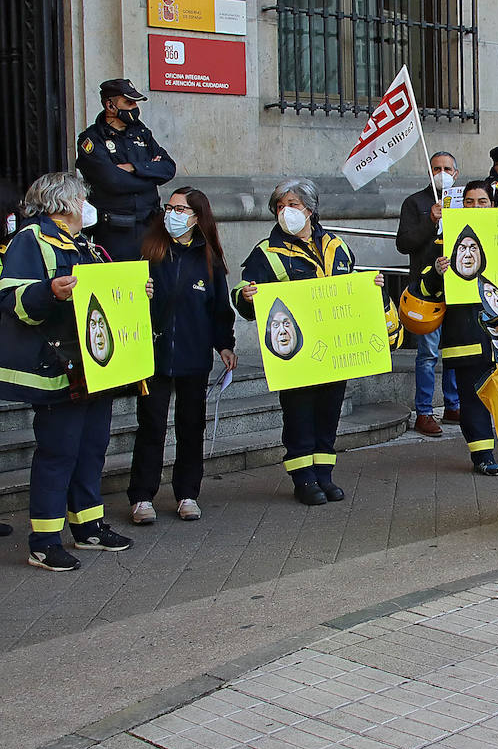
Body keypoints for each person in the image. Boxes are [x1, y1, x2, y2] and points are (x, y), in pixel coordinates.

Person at [0, 172, 144, 570]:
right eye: (83, 198)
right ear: (64, 203)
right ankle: (44, 541)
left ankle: (88, 526)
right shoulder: (32, 240)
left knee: (91, 447)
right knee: (58, 453)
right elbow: (13, 300)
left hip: (94, 366)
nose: (87, 205)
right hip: (57, 366)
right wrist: (50, 291)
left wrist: (134, 292)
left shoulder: (89, 247)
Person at [233, 179, 388, 504]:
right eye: (279, 206)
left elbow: (353, 291)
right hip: (295, 355)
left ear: (310, 209)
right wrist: (246, 296)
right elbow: (242, 299)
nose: (285, 212)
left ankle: (324, 475)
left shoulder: (338, 247)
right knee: (299, 416)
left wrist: (373, 284)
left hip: (334, 353)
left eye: (292, 205)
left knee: (329, 414)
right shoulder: (267, 252)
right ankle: (303, 478)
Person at [128, 187, 237, 525]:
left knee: (191, 426)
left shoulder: (209, 259)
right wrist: (137, 293)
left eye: (180, 209)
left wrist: (225, 344)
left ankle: (187, 493)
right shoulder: (149, 250)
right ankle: (142, 497)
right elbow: (122, 296)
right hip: (154, 354)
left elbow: (220, 308)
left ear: (196, 217)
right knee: (151, 426)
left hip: (193, 354)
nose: (172, 214)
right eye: (169, 207)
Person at [421, 180, 498, 476]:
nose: (475, 207)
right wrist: (436, 272)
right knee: (474, 397)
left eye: (482, 201)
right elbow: (422, 289)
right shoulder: (443, 243)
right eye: (469, 201)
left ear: (492, 205)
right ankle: (482, 455)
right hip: (467, 334)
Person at [396, 151, 462, 438]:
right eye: (437, 168)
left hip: (459, 288)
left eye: (448, 168)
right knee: (427, 354)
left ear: (456, 173)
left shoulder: (465, 201)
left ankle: (453, 405)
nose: (443, 172)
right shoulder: (415, 203)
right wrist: (431, 221)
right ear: (429, 172)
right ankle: (424, 412)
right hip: (427, 291)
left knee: (454, 352)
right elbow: (404, 243)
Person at [75, 79, 177, 261]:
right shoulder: (91, 139)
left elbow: (168, 168)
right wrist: (150, 176)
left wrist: (133, 168)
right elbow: (113, 181)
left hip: (151, 225)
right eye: (129, 102)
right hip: (116, 231)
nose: (134, 107)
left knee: (155, 283)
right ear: (110, 105)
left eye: (136, 102)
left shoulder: (142, 133)